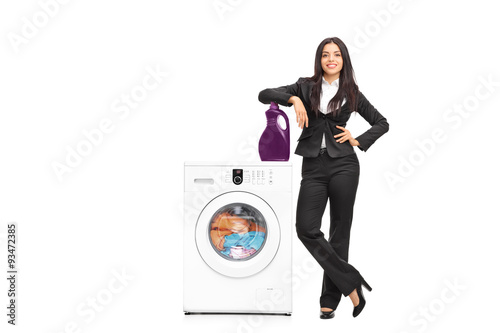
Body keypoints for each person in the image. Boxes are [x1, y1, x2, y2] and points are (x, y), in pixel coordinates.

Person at [258, 37, 389, 319]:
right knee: (306, 227)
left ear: (344, 60)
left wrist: (358, 140)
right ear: (319, 60)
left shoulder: (352, 92)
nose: (331, 59)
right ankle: (352, 282)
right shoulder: (305, 86)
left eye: (337, 55)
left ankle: (330, 297)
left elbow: (382, 123)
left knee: (339, 232)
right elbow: (264, 93)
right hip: (313, 167)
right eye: (326, 55)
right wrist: (292, 99)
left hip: (344, 165)